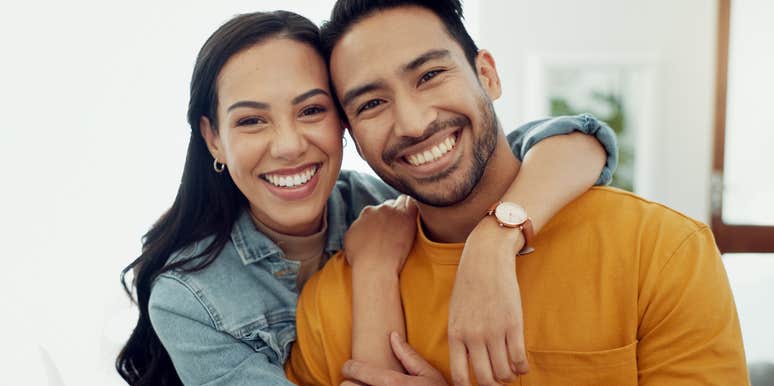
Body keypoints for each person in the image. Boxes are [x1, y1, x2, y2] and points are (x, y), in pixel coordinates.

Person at [115, 10, 617, 386]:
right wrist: (374, 270)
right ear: (213, 139)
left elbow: (571, 138)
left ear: (346, 123)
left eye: (311, 110)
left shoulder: (391, 196)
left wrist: (496, 238)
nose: (289, 145)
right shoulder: (190, 298)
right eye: (251, 120)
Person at [285, 1, 750, 385]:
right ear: (352, 136)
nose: (413, 123)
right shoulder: (334, 302)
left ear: (487, 75)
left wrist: (496, 237)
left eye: (429, 75)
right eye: (371, 103)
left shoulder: (662, 250)